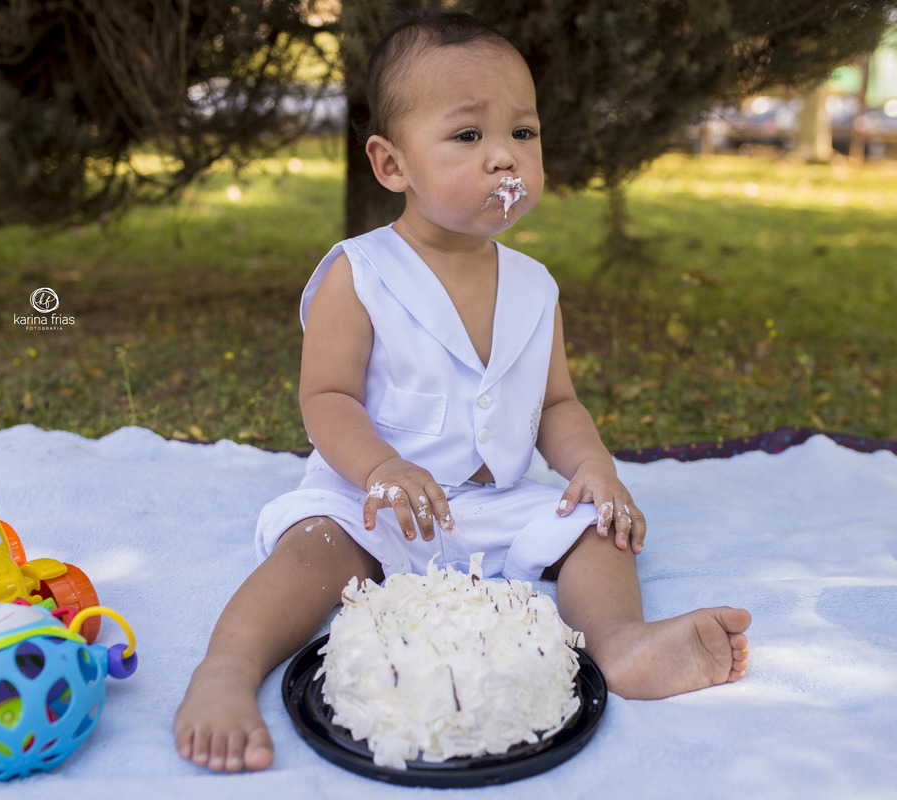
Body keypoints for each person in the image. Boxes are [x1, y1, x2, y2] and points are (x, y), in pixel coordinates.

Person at [175, 9, 751, 773]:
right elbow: (327, 399)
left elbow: (556, 405)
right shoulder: (361, 273)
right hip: (372, 500)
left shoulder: (534, 287)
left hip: (489, 503)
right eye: (469, 135)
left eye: (523, 132)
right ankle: (226, 669)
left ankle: (619, 645)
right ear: (392, 165)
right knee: (309, 549)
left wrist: (594, 468)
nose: (504, 157)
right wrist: (379, 468)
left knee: (597, 528)